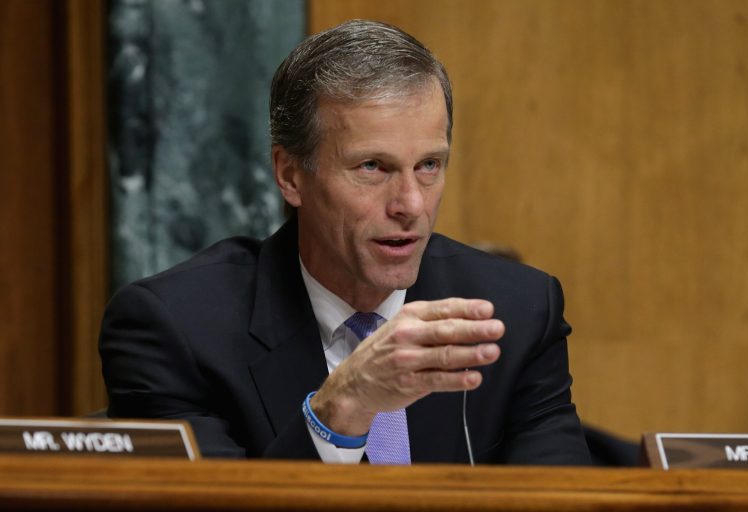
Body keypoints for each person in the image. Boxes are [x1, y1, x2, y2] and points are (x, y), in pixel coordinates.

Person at [100, 19, 591, 465]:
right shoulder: (176, 328)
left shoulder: (517, 312)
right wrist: (342, 407)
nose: (411, 205)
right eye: (372, 167)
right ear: (290, 175)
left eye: (428, 166)